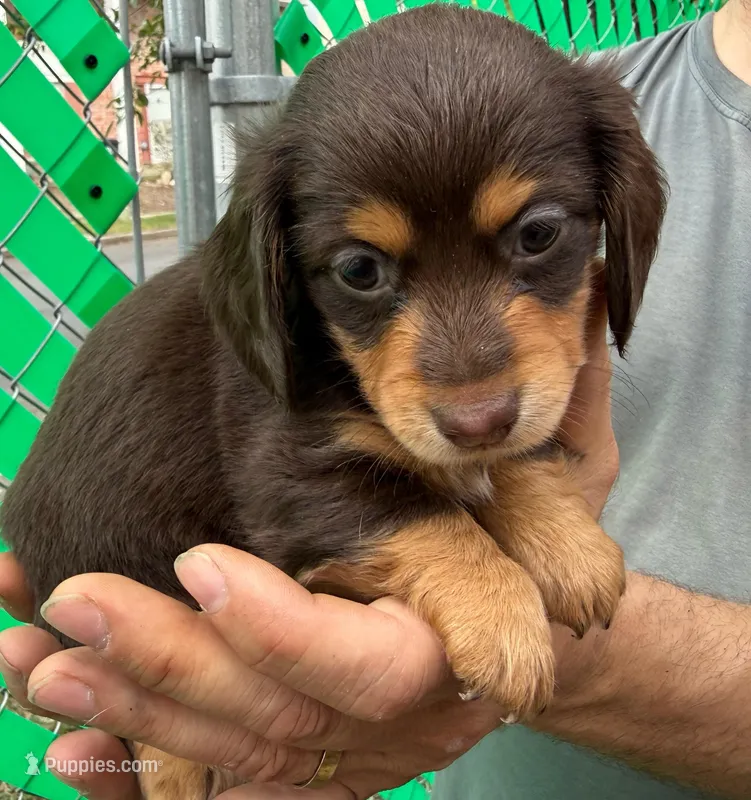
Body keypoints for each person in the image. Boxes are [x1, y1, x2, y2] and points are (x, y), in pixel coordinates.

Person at [0, 1, 749, 797]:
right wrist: (473, 573)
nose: (472, 401)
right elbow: (297, 487)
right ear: (283, 266)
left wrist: (539, 531)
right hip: (132, 567)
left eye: (534, 237)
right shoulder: (302, 359)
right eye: (361, 271)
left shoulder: (584, 116)